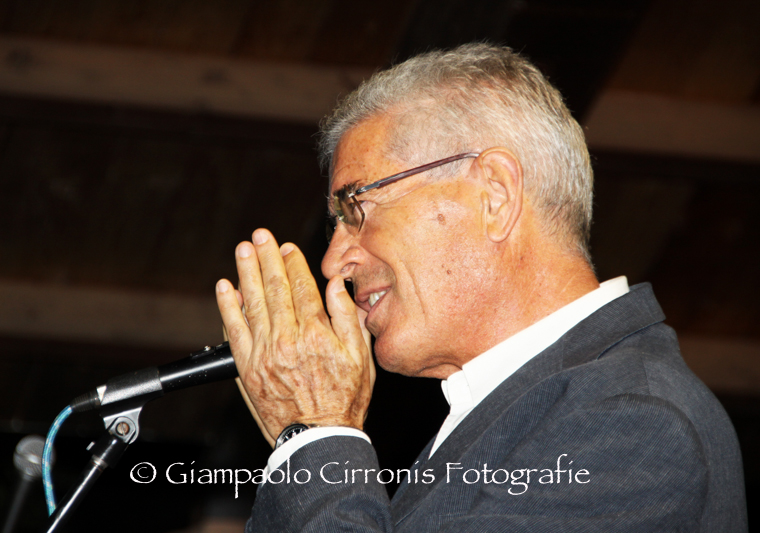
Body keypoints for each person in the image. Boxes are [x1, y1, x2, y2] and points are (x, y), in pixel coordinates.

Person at [215, 43, 747, 532]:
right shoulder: (535, 412)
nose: (334, 261)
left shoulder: (631, 419)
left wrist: (315, 433)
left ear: (495, 195)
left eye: (356, 207)